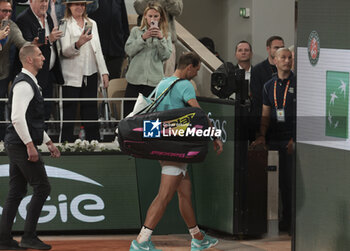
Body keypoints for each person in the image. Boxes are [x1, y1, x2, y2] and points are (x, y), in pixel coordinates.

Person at [129, 52, 223, 251]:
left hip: (163, 146)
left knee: (185, 193)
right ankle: (142, 240)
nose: (195, 75)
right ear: (189, 67)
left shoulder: (163, 83)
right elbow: (198, 113)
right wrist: (214, 135)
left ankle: (197, 237)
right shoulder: (185, 85)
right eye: (196, 71)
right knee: (164, 196)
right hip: (176, 149)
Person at [0, 44, 60, 250]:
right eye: (39, 55)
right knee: (42, 187)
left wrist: (48, 142)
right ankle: (29, 236)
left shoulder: (29, 82)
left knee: (16, 191)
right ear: (29, 60)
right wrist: (29, 146)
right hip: (19, 144)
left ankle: (4, 239)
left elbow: (30, 120)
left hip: (17, 143)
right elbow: (17, 118)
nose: (43, 58)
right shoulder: (24, 84)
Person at [251, 47, 295, 233]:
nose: (287, 60)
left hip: (290, 139)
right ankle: (268, 222)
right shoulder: (269, 85)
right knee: (270, 182)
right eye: (283, 57)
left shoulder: (299, 83)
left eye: (289, 57)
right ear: (275, 60)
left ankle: (290, 222)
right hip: (273, 138)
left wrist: (295, 138)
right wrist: (261, 135)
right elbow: (265, 113)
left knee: (289, 182)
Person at [59, 0, 109, 142]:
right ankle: (65, 143)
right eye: (76, 4)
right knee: (69, 111)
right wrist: (78, 43)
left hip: (91, 73)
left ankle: (94, 142)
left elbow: (98, 50)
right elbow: (64, 51)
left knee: (91, 110)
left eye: (82, 4)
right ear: (69, 6)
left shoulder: (92, 23)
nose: (79, 7)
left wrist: (104, 72)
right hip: (71, 74)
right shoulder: (64, 23)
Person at [15, 0, 64, 122]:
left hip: (49, 74)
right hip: (33, 76)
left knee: (46, 112)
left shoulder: (49, 18)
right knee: (33, 114)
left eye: (46, 1)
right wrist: (50, 39)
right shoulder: (23, 19)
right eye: (41, 1)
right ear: (31, 1)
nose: (44, 4)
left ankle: (44, 140)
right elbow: (27, 47)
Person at [124, 2, 172, 117]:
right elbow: (128, 50)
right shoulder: (136, 31)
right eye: (150, 16)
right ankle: (126, 135)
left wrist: (160, 39)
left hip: (154, 82)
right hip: (134, 80)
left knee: (151, 117)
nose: (152, 19)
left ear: (161, 17)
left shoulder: (166, 35)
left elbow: (165, 56)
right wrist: (142, 38)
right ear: (145, 16)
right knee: (129, 115)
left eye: (156, 16)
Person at [0, 0, 29, 141]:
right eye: (4, 11)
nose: (7, 14)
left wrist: (33, 45)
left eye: (9, 11)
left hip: (2, 74)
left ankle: (2, 141)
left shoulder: (11, 26)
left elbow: (22, 43)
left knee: (0, 109)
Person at [134, 0, 183, 76]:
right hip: (145, 42)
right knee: (143, 78)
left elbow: (177, 10)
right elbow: (139, 8)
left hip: (166, 41)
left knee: (166, 79)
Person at [250, 36, 284, 139]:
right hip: (265, 120)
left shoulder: (287, 69)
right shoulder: (258, 70)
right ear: (268, 49)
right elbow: (257, 99)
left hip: (283, 121)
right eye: (276, 48)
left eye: (282, 47)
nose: (280, 50)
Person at [89, 0, 129, 80]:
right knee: (93, 81)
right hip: (95, 48)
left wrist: (125, 45)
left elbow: (124, 22)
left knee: (113, 80)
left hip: (116, 47)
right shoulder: (92, 3)